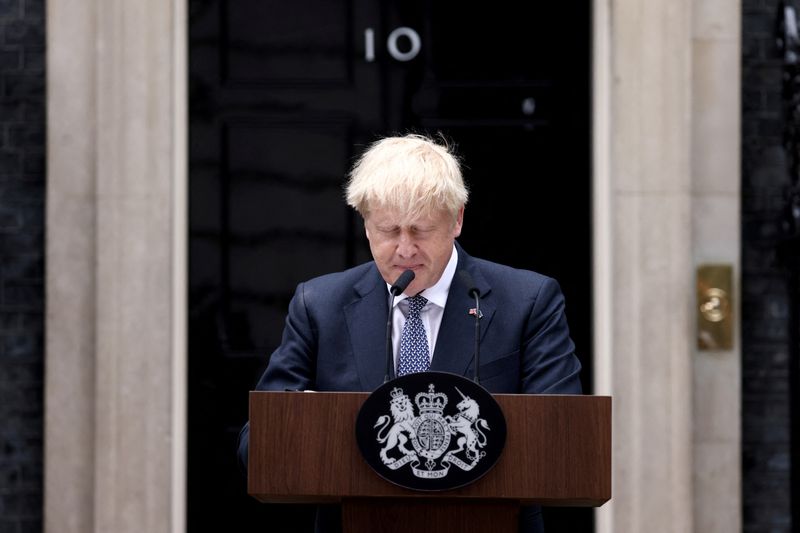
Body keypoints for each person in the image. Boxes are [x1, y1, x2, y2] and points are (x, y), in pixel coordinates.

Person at [237, 133, 583, 533]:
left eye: (420, 230)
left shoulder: (528, 301)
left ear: (457, 220)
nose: (404, 249)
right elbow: (256, 446)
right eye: (388, 230)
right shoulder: (319, 304)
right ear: (365, 225)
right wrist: (309, 423)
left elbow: (562, 439)